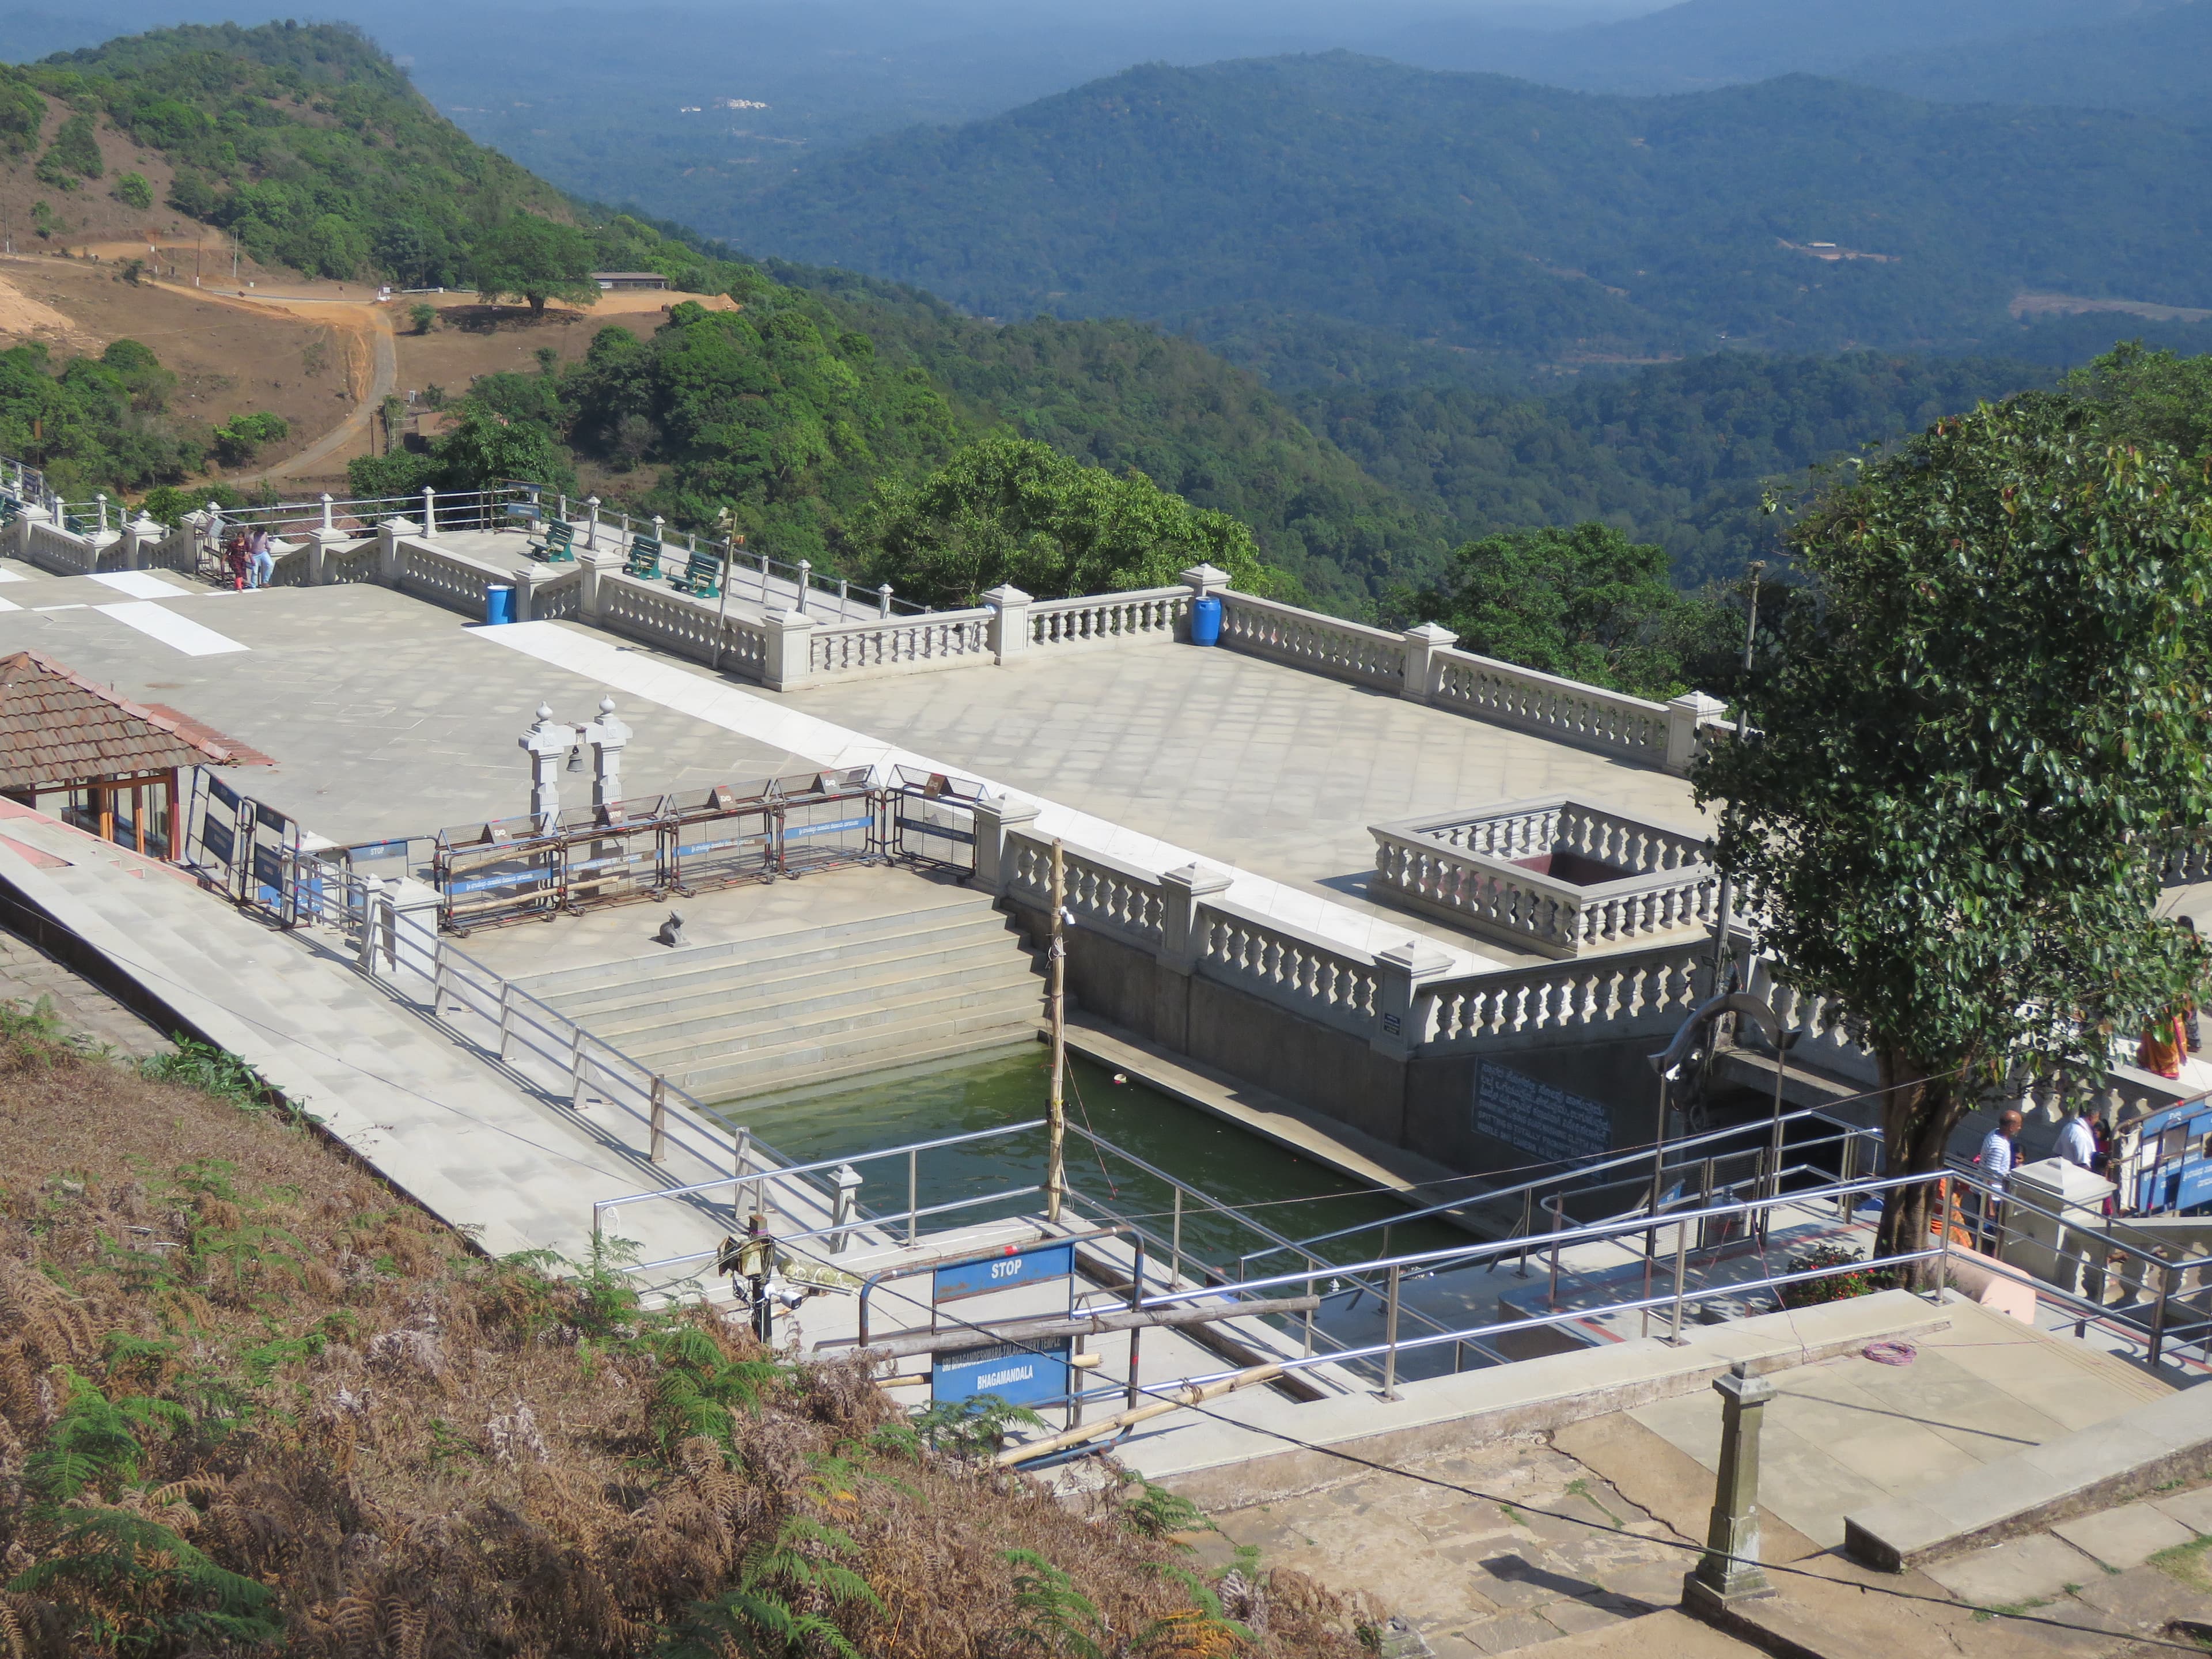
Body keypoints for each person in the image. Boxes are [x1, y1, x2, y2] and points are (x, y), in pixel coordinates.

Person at [1976, 1107, 2023, 1251]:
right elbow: (1989, 1175)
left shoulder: (1996, 1134)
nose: (2020, 1128)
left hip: (1989, 1193)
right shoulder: (1999, 1146)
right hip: (1990, 1196)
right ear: (2011, 1127)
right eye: (2018, 1125)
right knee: (1989, 1235)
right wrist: (1989, 1206)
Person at [2057, 1105, 2098, 1170]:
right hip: (2074, 1174)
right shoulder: (2082, 1136)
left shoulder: (2069, 1126)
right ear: (2091, 1117)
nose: (2097, 1121)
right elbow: (2083, 1165)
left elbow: (2057, 1152)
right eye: (2097, 1118)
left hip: (2064, 1169)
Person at [246, 525, 275, 590]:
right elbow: (249, 548)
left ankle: (265, 582)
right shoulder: (252, 537)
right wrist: (250, 556)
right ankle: (253, 585)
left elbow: (266, 542)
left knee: (270, 565)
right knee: (255, 571)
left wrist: (268, 548)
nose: (261, 535)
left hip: (263, 552)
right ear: (257, 532)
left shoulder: (265, 534)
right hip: (254, 554)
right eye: (260, 533)